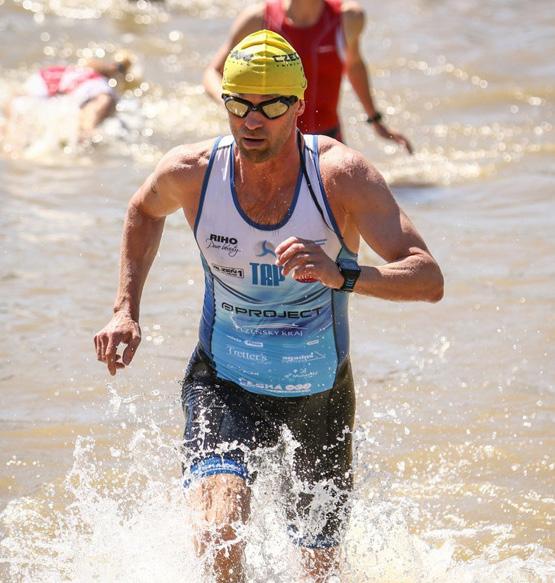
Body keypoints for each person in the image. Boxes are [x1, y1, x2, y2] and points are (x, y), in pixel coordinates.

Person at [94, 30, 442, 582]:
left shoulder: (341, 176)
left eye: (271, 106)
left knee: (317, 571)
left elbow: (427, 277)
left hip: (319, 393)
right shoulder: (193, 171)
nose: (252, 121)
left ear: (301, 106)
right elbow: (142, 210)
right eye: (239, 104)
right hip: (224, 380)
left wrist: (344, 273)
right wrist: (125, 308)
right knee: (218, 533)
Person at [203, 0, 413, 153]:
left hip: (329, 140)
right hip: (270, 143)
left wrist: (376, 120)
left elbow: (354, 66)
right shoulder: (258, 18)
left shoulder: (348, 18)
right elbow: (213, 72)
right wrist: (236, 106)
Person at [5, 54, 132, 140]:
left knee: (16, 111)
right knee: (88, 127)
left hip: (43, 82)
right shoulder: (102, 89)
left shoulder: (74, 71)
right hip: (72, 96)